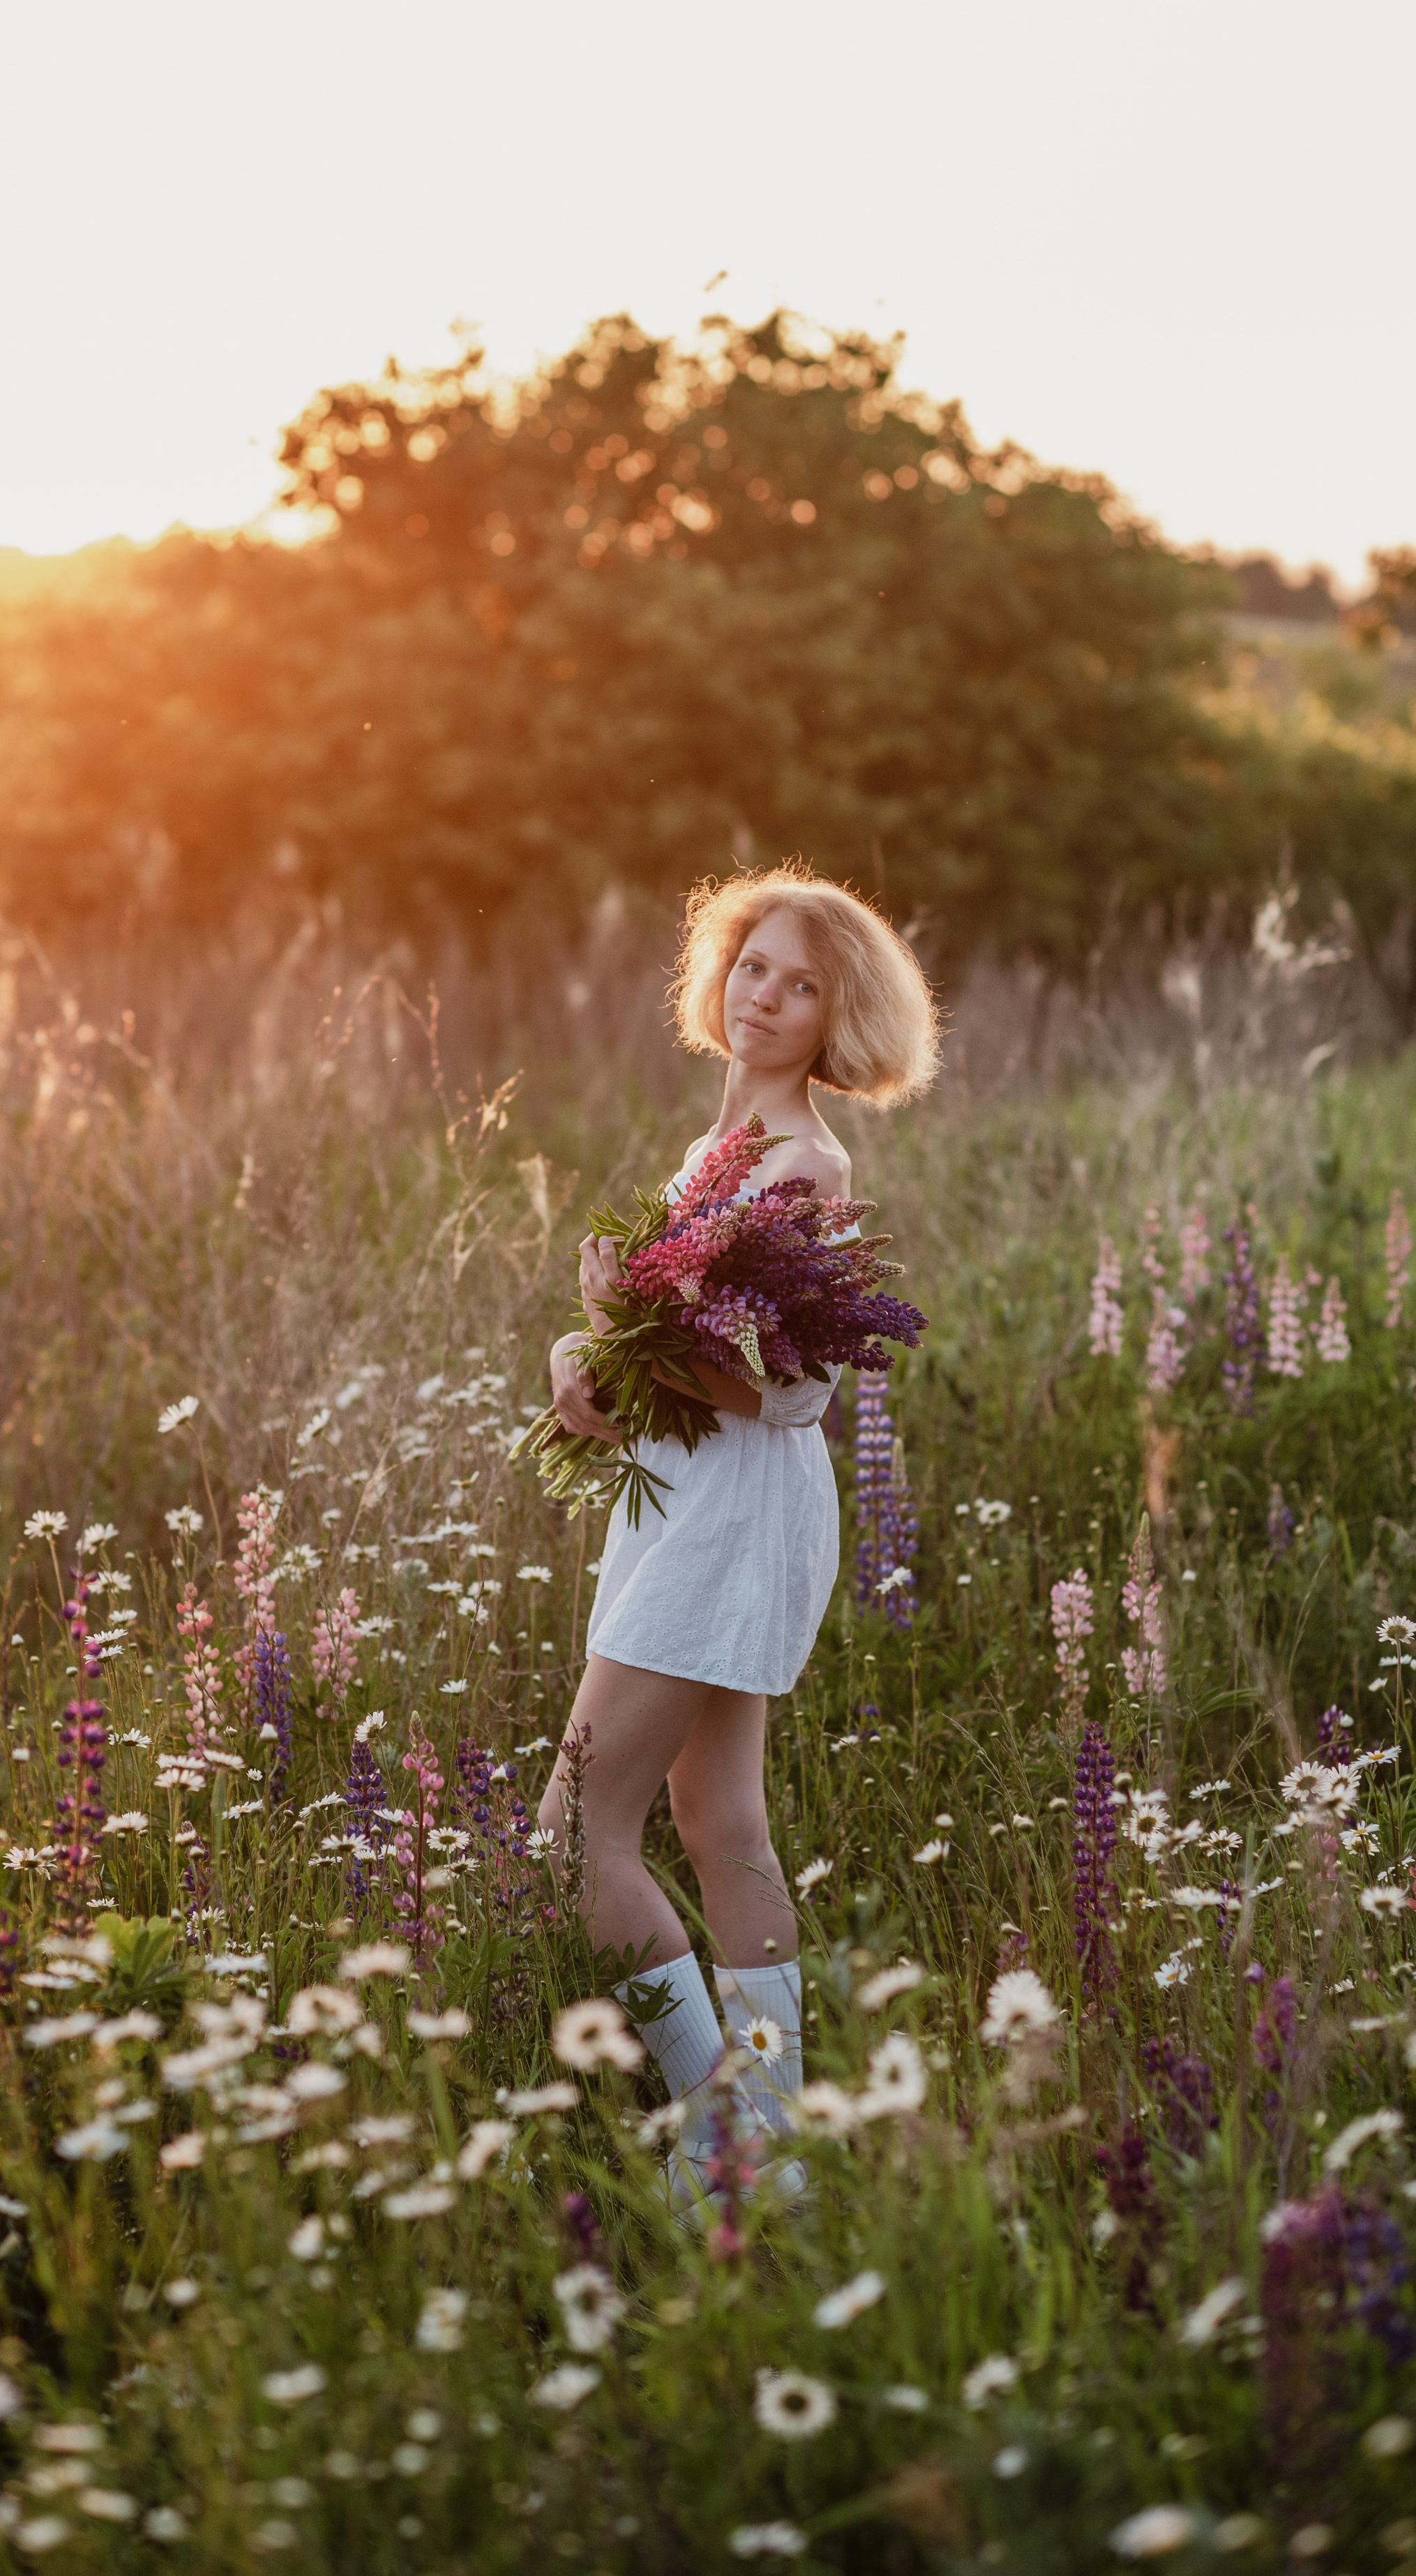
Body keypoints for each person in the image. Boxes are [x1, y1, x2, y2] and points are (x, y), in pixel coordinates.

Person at [537, 865, 938, 2173]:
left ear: (840, 1019)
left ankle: (733, 2134)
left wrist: (612, 1332)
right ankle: (774, 2148)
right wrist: (586, 1378)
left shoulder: (804, 1167)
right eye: (752, 964)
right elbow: (684, 1365)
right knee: (721, 1828)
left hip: (733, 1513)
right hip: (691, 1499)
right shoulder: (719, 1152)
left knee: (574, 1832)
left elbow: (788, 1391)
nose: (765, 995)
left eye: (802, 983)